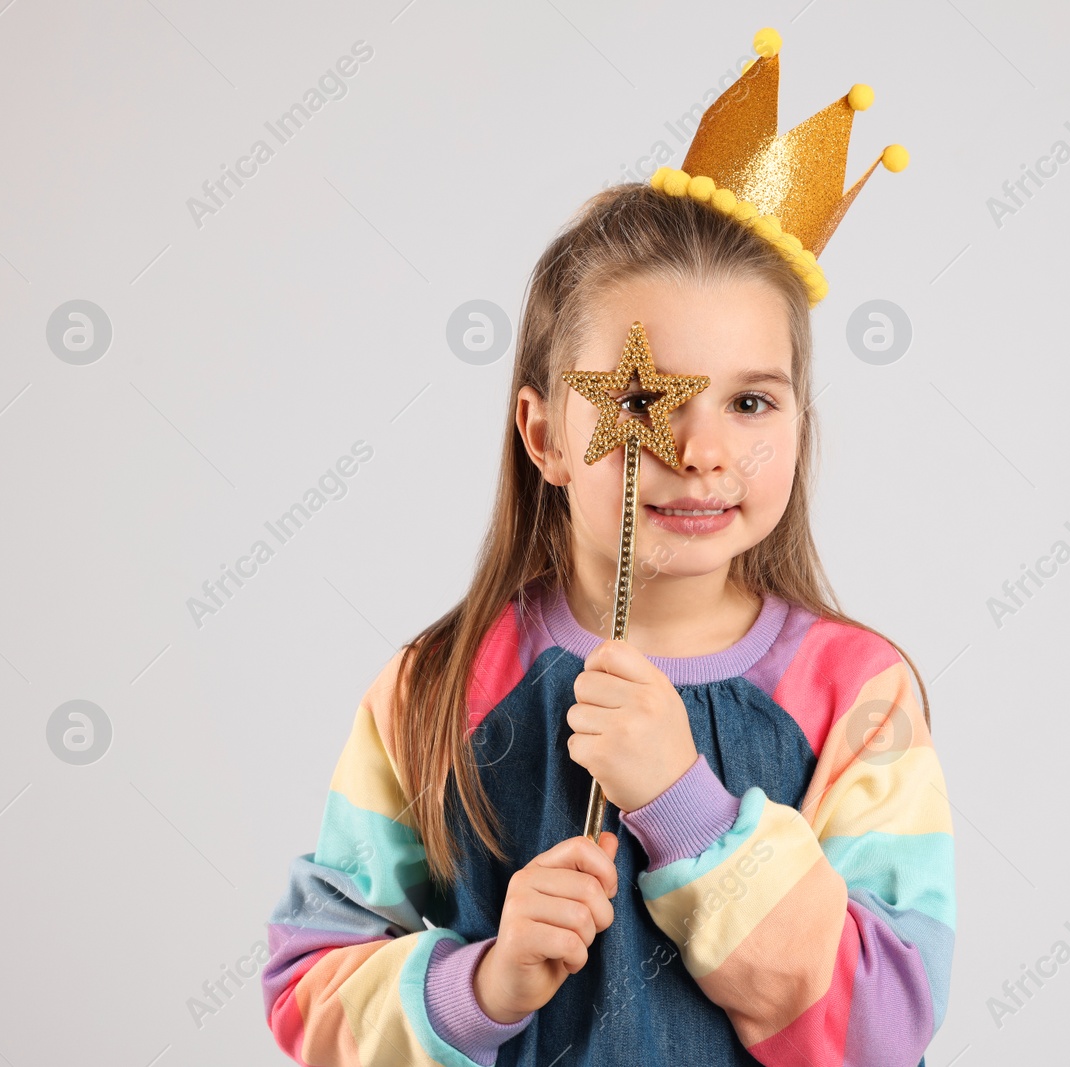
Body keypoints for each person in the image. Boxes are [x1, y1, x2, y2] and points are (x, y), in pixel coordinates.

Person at [261, 29, 952, 1067]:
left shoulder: (854, 692)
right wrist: (479, 985)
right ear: (544, 433)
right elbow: (308, 988)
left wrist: (686, 805)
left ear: (799, 423)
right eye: (649, 398)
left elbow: (881, 1030)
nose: (701, 448)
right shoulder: (437, 689)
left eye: (751, 399)